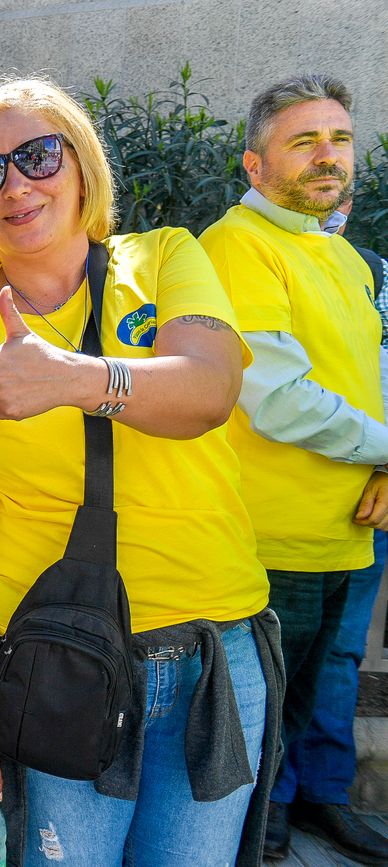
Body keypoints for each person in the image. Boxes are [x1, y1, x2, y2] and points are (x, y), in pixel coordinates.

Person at [0, 77, 276, 865]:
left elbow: (209, 391)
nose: (15, 185)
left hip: (214, 649)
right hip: (58, 661)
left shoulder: (168, 256)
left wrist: (75, 378)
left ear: (80, 165)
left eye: (37, 156)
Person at [199, 74, 388, 863]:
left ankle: (296, 820)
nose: (327, 155)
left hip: (344, 534)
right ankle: (256, 838)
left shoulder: (340, 255)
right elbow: (275, 396)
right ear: (254, 164)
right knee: (252, 735)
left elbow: (369, 376)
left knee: (302, 712)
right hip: (268, 545)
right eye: (303, 140)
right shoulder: (237, 247)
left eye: (339, 139)